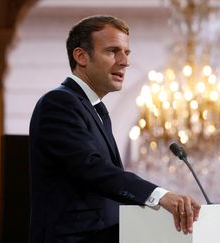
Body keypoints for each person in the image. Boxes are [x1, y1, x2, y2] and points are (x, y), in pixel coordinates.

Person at [29, 15, 201, 243]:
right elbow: (92, 169)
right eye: (112, 51)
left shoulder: (96, 110)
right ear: (81, 56)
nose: (124, 61)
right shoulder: (59, 103)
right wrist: (159, 196)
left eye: (126, 53)